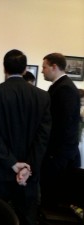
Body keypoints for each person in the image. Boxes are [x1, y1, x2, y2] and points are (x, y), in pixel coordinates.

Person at [0, 49, 51, 225]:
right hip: (29, 172)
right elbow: (42, 138)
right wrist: (28, 168)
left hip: (0, 169)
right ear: (25, 69)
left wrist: (12, 163)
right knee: (27, 218)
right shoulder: (42, 97)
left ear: (4, 68)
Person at [40, 53, 81, 208]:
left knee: (53, 197)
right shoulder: (60, 86)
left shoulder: (65, 89)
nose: (43, 71)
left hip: (58, 155)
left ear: (54, 67)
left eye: (44, 67)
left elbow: (63, 125)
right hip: (57, 153)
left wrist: (51, 154)